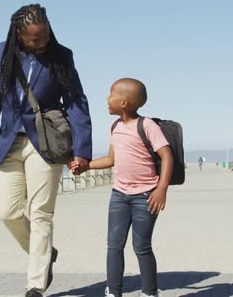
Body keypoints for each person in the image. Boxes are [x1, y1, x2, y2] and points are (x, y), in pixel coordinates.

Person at [0, 4, 92, 297]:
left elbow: (77, 102)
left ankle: (35, 285)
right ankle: (44, 253)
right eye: (34, 39)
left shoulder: (61, 55)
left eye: (45, 36)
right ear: (19, 34)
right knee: (7, 212)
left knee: (41, 213)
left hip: (46, 143)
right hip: (9, 142)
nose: (42, 43)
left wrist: (82, 151)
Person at [71, 78, 173, 297]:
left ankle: (149, 292)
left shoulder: (147, 126)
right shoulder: (115, 126)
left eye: (111, 94)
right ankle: (113, 291)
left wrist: (161, 188)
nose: (107, 99)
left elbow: (167, 156)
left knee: (142, 247)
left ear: (124, 102)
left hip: (146, 196)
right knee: (114, 245)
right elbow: (111, 159)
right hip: (119, 195)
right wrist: (85, 166)